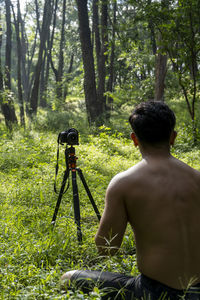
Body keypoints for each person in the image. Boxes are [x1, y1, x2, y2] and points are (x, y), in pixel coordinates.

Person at [61, 101, 200, 299]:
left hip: (155, 291)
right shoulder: (197, 178)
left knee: (68, 278)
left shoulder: (124, 183)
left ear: (134, 139)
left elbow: (106, 248)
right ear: (173, 137)